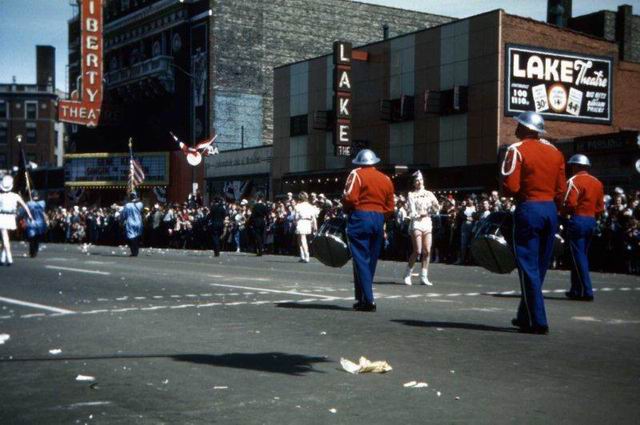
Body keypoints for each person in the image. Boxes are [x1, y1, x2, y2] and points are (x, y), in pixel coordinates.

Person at [501, 111, 566, 334]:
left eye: (519, 124)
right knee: (539, 265)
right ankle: (525, 314)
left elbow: (510, 187)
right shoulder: (555, 152)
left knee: (528, 265)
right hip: (550, 210)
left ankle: (538, 321)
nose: (516, 128)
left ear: (527, 128)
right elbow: (561, 190)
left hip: (529, 208)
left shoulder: (516, 150)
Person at [343, 149, 395, 312]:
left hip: (360, 216)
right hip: (379, 218)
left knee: (359, 259)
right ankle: (363, 298)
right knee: (371, 259)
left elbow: (349, 197)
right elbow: (390, 207)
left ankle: (369, 299)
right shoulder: (386, 178)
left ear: (359, 162)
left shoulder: (356, 174)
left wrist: (347, 207)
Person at [563, 154, 604, 301]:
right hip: (591, 220)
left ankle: (586, 290)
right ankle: (576, 289)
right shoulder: (597, 182)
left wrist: (564, 213)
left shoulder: (573, 181)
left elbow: (570, 204)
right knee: (581, 255)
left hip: (578, 219)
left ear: (576, 166)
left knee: (578, 255)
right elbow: (600, 207)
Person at [403, 170, 439, 285]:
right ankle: (408, 273)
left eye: (420, 180)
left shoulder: (429, 193)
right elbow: (412, 211)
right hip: (417, 223)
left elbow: (436, 208)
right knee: (417, 250)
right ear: (414, 183)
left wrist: (436, 207)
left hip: (427, 222)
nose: (419, 182)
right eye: (417, 180)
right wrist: (417, 214)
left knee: (427, 251)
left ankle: (424, 276)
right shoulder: (411, 195)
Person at [0, 175, 33, 266]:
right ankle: (2, 258)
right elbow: (25, 206)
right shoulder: (15, 196)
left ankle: (9, 257)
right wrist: (29, 215)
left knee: (5, 238)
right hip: (11, 218)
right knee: (5, 238)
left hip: (2, 217)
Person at [294, 192, 317, 263]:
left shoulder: (298, 206)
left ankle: (306, 255)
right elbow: (313, 217)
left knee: (302, 239)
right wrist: (315, 226)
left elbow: (296, 217)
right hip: (308, 222)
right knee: (300, 239)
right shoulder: (310, 206)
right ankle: (302, 255)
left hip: (301, 222)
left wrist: (295, 222)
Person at [25, 191, 48, 257]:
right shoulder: (43, 203)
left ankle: (32, 252)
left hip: (31, 223)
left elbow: (23, 211)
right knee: (37, 238)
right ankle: (35, 251)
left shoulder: (29, 204)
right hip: (40, 223)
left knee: (32, 238)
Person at [121, 192, 144, 257]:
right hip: (138, 222)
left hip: (130, 223)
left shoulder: (127, 205)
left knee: (131, 237)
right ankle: (136, 250)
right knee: (136, 236)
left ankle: (134, 251)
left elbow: (124, 214)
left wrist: (122, 220)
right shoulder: (140, 204)